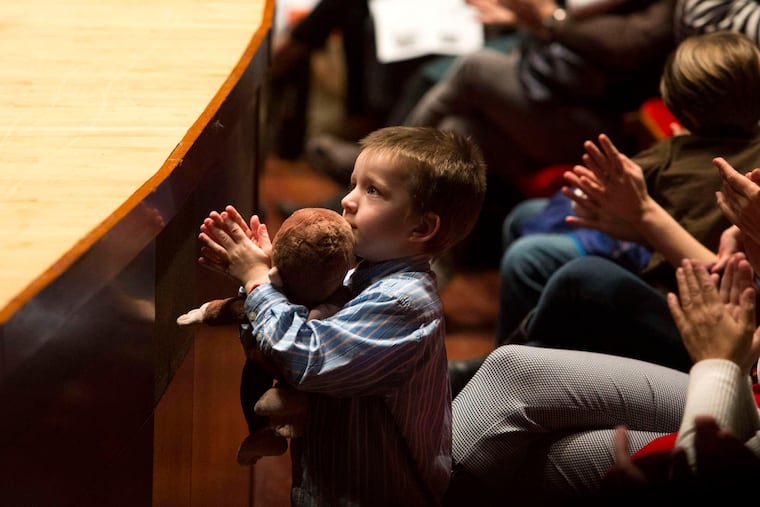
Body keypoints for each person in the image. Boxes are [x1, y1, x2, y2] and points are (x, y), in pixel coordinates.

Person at [196, 126, 487, 505]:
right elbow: (273, 353)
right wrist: (275, 278)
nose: (347, 201)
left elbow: (304, 359)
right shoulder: (353, 275)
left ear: (421, 226)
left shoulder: (403, 304)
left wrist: (257, 286)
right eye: (353, 184)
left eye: (373, 190)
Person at [444, 155, 760, 504]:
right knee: (513, 370)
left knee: (571, 280)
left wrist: (719, 365)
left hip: (742, 399)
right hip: (750, 385)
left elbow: (701, 475)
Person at [496, 29, 760, 344]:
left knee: (528, 255)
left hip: (682, 297)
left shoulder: (668, 155)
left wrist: (638, 212)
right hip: (683, 268)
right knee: (526, 215)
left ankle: (519, 355)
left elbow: (588, 201)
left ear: (685, 114)